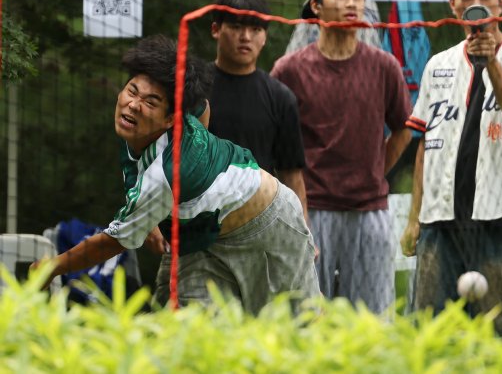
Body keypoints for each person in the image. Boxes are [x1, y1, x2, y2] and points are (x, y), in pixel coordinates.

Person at [34, 35, 319, 314]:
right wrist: (159, 210)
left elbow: (115, 240)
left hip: (268, 225)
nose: (134, 105)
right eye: (132, 91)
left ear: (171, 118)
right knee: (185, 332)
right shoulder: (143, 126)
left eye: (151, 101)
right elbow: (203, 106)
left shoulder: (165, 174)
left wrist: (53, 266)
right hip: (202, 238)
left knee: (292, 329)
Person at [400, 0, 502, 336]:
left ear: (501, 2)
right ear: (453, 5)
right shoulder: (437, 65)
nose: (474, 2)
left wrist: (491, 60)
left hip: (500, 220)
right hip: (439, 223)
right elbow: (425, 144)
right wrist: (415, 217)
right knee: (430, 333)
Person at [272, 0, 412, 314]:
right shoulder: (289, 70)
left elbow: (403, 129)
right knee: (305, 318)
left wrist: (377, 171)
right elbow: (273, 143)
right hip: (309, 213)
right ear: (316, 6)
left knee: (371, 321)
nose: (352, 3)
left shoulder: (384, 66)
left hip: (370, 212)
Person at [208, 0, 308, 222]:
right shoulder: (191, 88)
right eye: (236, 27)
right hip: (196, 223)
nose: (246, 37)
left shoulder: (281, 97)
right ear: (216, 29)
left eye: (256, 29)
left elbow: (291, 173)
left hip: (259, 222)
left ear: (264, 37)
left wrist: (304, 232)